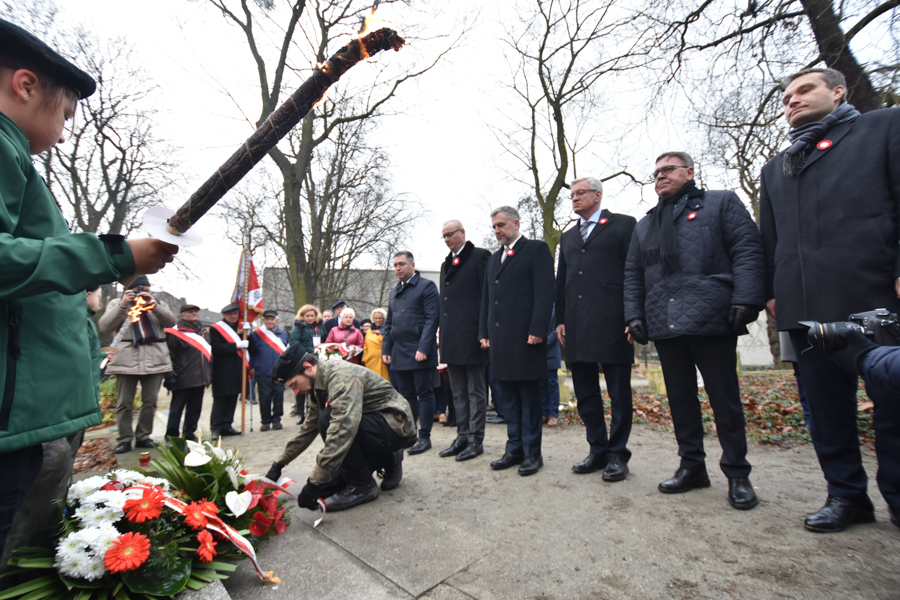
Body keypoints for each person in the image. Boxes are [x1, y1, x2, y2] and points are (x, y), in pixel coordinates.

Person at [0, 17, 176, 562]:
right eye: (67, 112)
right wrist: (114, 255)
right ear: (27, 85)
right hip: (19, 416)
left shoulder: (18, 159)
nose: (65, 128)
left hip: (34, 411)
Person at [759, 67, 900, 532]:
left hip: (874, 296)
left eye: (804, 90)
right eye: (786, 97)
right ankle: (846, 496)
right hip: (805, 308)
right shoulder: (776, 167)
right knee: (823, 409)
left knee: (893, 402)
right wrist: (773, 293)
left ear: (838, 92)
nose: (792, 101)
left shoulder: (884, 126)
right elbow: (770, 239)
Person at [624, 151, 764, 510]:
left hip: (712, 316)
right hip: (664, 321)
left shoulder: (720, 203)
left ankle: (737, 473)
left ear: (689, 171)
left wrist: (746, 300)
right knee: (681, 401)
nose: (659, 177)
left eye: (667, 170)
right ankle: (692, 467)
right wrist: (633, 316)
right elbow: (633, 275)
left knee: (724, 400)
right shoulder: (645, 224)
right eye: (654, 173)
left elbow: (747, 249)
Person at [264, 346, 417, 511]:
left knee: (327, 419)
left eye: (294, 384)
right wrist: (279, 463)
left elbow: (342, 428)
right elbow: (308, 427)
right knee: (329, 486)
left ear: (308, 368)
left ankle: (363, 485)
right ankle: (386, 457)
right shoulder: (317, 383)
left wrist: (314, 482)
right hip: (375, 423)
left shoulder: (340, 376)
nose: (296, 392)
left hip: (395, 426)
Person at [556, 176, 637, 482]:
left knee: (618, 393)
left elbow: (634, 272)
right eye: (572, 195)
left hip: (614, 322)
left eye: (580, 193)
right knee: (586, 393)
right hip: (576, 324)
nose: (574, 198)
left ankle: (618, 454)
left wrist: (633, 316)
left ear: (598, 195)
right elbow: (561, 281)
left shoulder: (624, 225)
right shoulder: (567, 237)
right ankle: (597, 450)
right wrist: (560, 319)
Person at [479, 206, 555, 476]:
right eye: (494, 227)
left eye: (501, 225)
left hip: (526, 339)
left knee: (528, 397)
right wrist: (483, 332)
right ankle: (514, 449)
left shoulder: (536, 250)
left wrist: (538, 328)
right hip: (500, 340)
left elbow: (545, 292)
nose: (497, 231)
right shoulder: (493, 259)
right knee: (508, 398)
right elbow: (487, 299)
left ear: (516, 223)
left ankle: (533, 453)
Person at [99, 276, 176, 453]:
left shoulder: (157, 303)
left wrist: (154, 305)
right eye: (137, 290)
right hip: (126, 359)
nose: (141, 293)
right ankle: (124, 438)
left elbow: (171, 322)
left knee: (150, 401)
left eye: (145, 289)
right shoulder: (117, 303)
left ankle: (143, 436)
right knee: (124, 402)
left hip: (154, 358)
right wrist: (122, 305)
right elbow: (105, 325)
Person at [438, 220, 491, 461]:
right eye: (444, 236)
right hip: (451, 337)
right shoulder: (445, 263)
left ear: (463, 233)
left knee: (475, 392)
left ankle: (475, 440)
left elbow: (487, 296)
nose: (448, 239)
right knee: (457, 391)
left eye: (451, 234)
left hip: (472, 335)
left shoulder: (480, 257)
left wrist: (484, 332)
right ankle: (461, 436)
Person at [382, 251, 440, 455]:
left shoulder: (427, 286)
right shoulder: (393, 292)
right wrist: (386, 348)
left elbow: (433, 318)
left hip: (419, 350)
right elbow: (389, 322)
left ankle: (425, 437)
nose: (398, 268)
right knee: (406, 396)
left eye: (402, 264)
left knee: (424, 393)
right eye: (395, 265)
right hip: (399, 351)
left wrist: (423, 348)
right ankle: (411, 434)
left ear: (412, 265)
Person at [164, 304, 211, 442]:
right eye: (190, 312)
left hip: (200, 377)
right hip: (182, 377)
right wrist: (169, 375)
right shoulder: (174, 333)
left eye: (196, 311)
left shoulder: (203, 332)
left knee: (195, 409)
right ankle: (171, 435)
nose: (194, 314)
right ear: (182, 315)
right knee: (176, 409)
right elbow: (168, 355)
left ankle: (189, 433)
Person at [209, 303, 249, 437]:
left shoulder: (240, 329)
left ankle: (227, 425)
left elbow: (249, 345)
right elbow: (216, 348)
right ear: (224, 315)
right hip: (222, 369)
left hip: (237, 368)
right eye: (230, 314)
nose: (233, 316)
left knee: (233, 397)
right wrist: (236, 345)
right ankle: (216, 427)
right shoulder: (216, 329)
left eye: (235, 314)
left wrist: (248, 334)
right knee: (221, 399)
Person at [249, 309, 289, 431]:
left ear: (277, 320)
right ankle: (265, 421)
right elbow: (250, 352)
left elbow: (286, 352)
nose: (270, 321)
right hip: (263, 370)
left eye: (272, 319)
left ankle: (277, 419)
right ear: (263, 320)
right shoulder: (256, 335)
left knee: (278, 396)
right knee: (265, 397)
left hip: (279, 371)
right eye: (267, 319)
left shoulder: (283, 334)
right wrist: (252, 367)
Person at [540, 307, 561, 428]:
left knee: (552, 383)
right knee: (542, 383)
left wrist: (543, 344)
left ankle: (554, 414)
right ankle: (545, 411)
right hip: (540, 355)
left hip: (551, 353)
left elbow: (555, 331)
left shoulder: (554, 310)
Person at [362, 308, 390, 380]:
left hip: (384, 362)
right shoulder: (369, 331)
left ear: (384, 318)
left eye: (380, 318)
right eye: (375, 318)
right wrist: (365, 359)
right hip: (371, 362)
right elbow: (366, 346)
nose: (377, 320)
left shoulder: (387, 330)